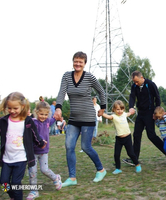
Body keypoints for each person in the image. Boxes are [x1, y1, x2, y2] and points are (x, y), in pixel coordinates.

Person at [54, 51, 107, 187]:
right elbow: (61, 92)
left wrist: (103, 107)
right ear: (73, 62)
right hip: (74, 119)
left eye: (80, 62)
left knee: (86, 146)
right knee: (69, 146)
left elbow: (101, 91)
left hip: (88, 117)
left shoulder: (89, 77)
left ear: (84, 63)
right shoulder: (66, 76)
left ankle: (101, 169)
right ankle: (72, 178)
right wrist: (58, 107)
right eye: (75, 61)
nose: (77, 64)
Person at [0, 92, 47, 200]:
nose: (12, 111)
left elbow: (35, 135)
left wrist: (41, 143)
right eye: (9, 108)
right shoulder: (3, 121)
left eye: (15, 108)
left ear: (22, 106)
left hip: (21, 159)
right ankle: (13, 196)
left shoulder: (27, 121)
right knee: (3, 183)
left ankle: (17, 197)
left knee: (16, 183)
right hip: (7, 159)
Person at [122, 71, 166, 165]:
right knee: (136, 134)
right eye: (134, 82)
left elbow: (157, 97)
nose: (135, 83)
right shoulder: (134, 86)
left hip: (150, 112)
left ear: (141, 77)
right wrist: (131, 107)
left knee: (151, 135)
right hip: (141, 113)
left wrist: (156, 112)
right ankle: (134, 159)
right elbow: (132, 97)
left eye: (137, 81)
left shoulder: (150, 84)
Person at [27, 99, 62, 200]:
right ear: (36, 112)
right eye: (41, 114)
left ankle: (56, 178)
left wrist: (58, 116)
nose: (43, 116)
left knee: (44, 170)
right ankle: (34, 191)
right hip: (33, 151)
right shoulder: (32, 122)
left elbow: (55, 118)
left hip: (43, 151)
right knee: (32, 171)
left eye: (46, 114)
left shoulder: (48, 121)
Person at [102, 100, 141, 174]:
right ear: (114, 109)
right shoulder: (113, 116)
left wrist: (132, 111)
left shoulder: (124, 114)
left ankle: (137, 164)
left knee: (130, 153)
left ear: (123, 109)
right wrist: (102, 113)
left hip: (127, 138)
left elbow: (129, 113)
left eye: (121, 109)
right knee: (116, 154)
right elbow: (107, 116)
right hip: (119, 139)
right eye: (118, 109)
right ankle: (118, 168)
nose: (120, 111)